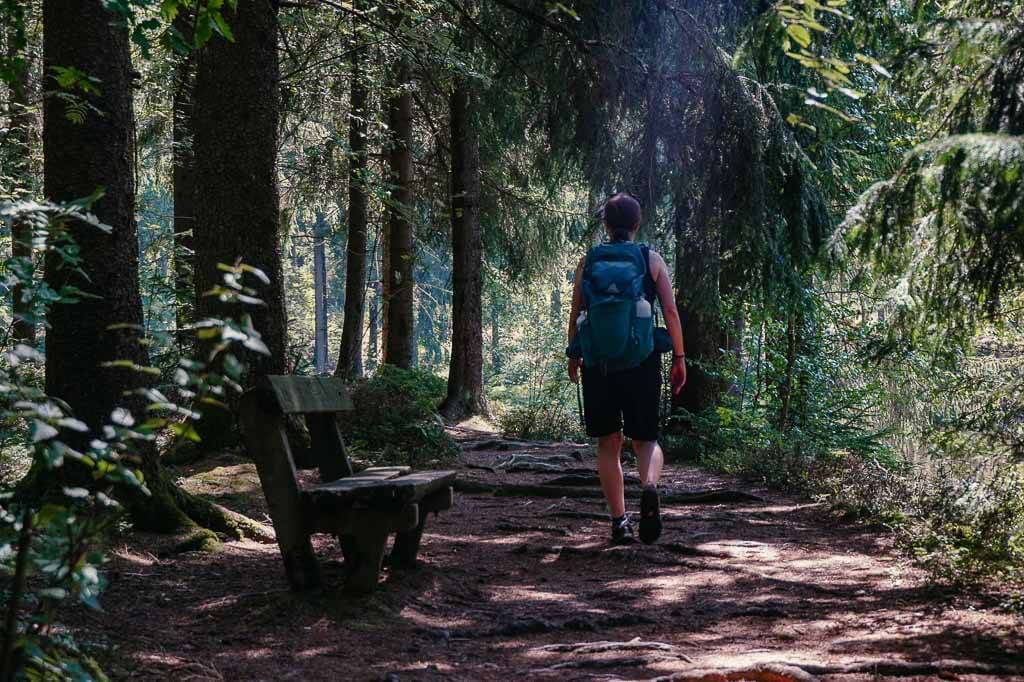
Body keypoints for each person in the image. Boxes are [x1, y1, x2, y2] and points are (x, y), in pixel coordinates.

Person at [567, 193, 687, 545]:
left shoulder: (588, 261)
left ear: (605, 223)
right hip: (642, 360)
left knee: (608, 442)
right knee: (645, 440)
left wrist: (574, 356)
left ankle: (619, 523)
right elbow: (670, 312)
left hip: (598, 363)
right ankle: (649, 487)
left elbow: (576, 312)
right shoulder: (650, 259)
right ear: (637, 224)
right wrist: (679, 358)